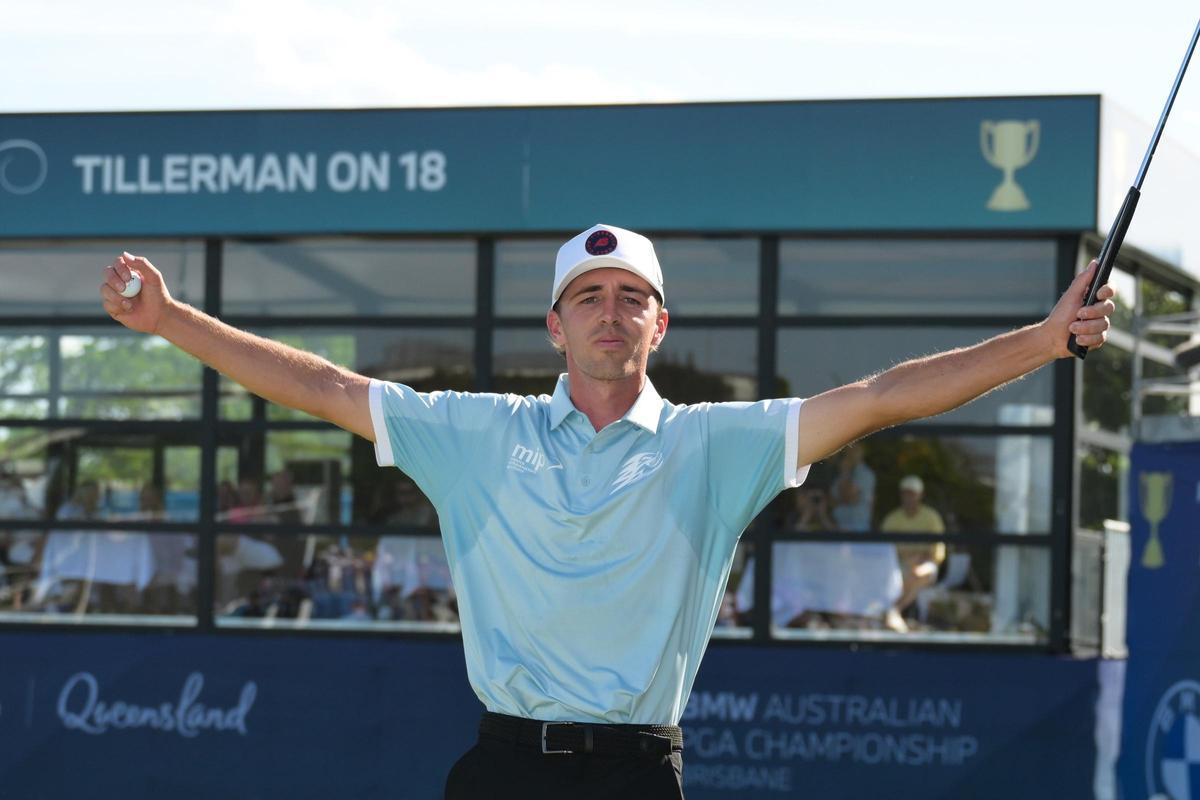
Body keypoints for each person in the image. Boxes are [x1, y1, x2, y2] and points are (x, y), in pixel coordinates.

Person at [100, 223, 1115, 798]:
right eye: (589, 294)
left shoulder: (717, 443)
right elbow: (320, 384)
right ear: (555, 323)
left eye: (632, 295)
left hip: (635, 781)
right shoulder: (477, 430)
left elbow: (886, 394)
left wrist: (1044, 338)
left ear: (660, 323)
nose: (611, 311)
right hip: (498, 770)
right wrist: (168, 320)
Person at [879, 474, 946, 632]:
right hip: (898, 565)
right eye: (906, 493)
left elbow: (937, 552)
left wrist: (920, 560)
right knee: (905, 575)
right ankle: (894, 613)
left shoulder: (931, 518)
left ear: (920, 495)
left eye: (912, 493)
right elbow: (883, 550)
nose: (909, 497)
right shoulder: (892, 519)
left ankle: (894, 610)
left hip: (925, 564)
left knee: (921, 573)